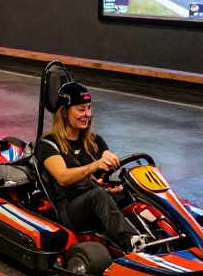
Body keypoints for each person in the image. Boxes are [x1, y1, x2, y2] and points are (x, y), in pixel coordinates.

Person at [35, 82, 142, 251]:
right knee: (98, 196)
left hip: (94, 196)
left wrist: (108, 163)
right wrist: (93, 167)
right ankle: (132, 243)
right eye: (80, 109)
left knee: (132, 190)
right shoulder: (48, 144)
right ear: (64, 112)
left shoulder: (94, 141)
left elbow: (102, 169)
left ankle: (165, 231)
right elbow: (63, 178)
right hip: (68, 208)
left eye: (88, 108)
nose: (87, 114)